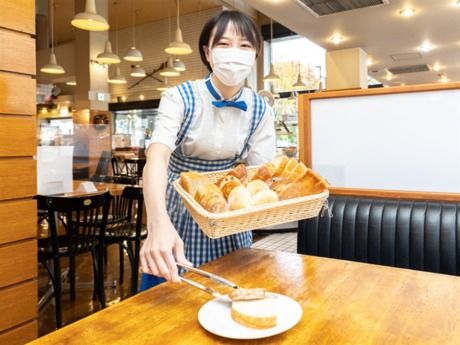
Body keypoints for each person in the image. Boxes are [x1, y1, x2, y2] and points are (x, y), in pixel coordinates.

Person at [139, 10, 276, 289]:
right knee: (168, 302)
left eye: (245, 45)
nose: (234, 53)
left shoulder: (261, 109)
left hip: (229, 215)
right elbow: (156, 159)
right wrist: (157, 225)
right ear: (207, 52)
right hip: (178, 213)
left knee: (232, 298)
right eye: (223, 44)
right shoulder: (179, 97)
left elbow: (259, 175)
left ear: (255, 55)